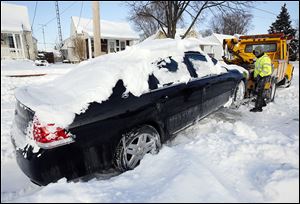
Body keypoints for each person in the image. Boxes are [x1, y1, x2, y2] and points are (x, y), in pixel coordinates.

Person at [250, 46, 273, 112]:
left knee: (260, 91)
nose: (256, 54)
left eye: (257, 52)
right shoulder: (259, 58)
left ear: (261, 52)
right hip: (260, 76)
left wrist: (260, 76)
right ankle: (263, 103)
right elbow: (258, 67)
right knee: (257, 91)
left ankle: (258, 108)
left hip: (264, 76)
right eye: (255, 52)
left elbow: (267, 70)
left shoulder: (265, 59)